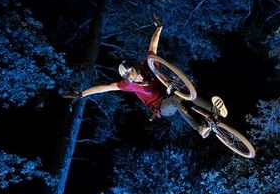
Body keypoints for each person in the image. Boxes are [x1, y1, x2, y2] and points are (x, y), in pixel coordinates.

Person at [64, 23, 227, 138]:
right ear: (129, 78)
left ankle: (213, 111)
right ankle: (200, 128)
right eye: (132, 76)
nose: (136, 76)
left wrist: (158, 27)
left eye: (134, 71)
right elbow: (105, 87)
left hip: (170, 92)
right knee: (178, 100)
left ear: (136, 68)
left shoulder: (149, 66)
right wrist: (81, 93)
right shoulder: (128, 85)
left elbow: (153, 46)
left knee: (186, 93)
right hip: (161, 108)